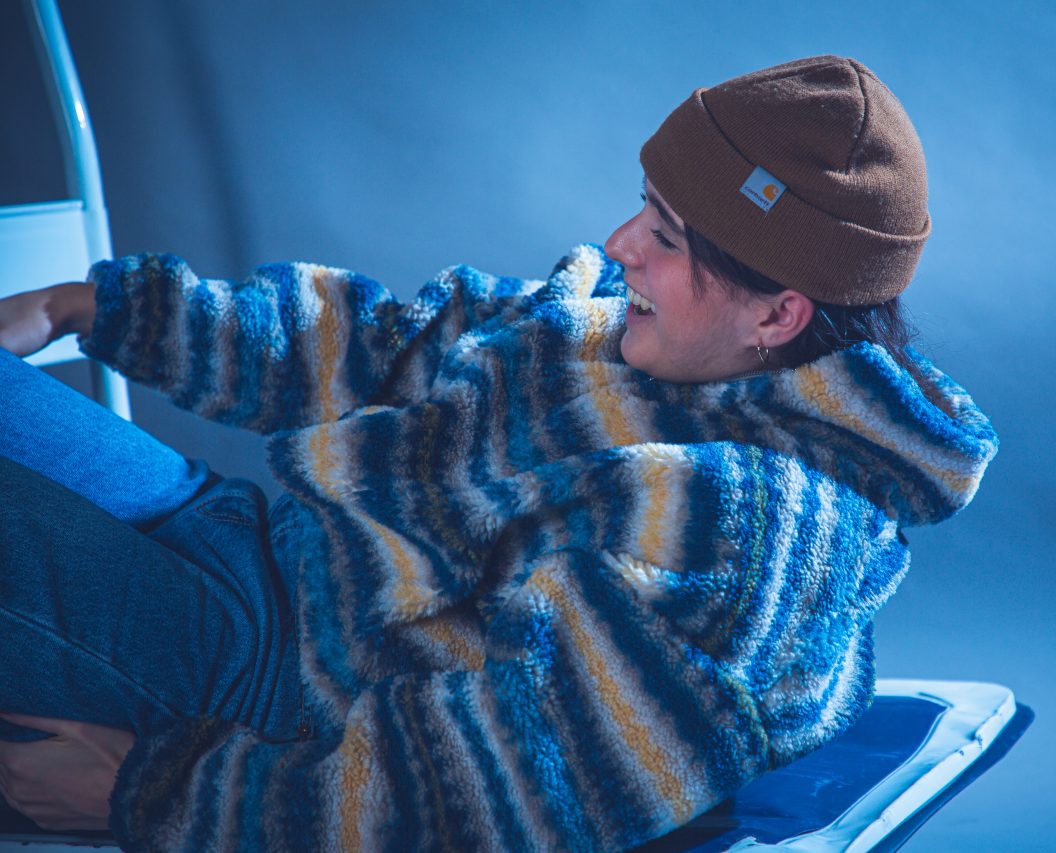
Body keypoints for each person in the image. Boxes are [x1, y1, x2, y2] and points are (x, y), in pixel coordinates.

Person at [0, 55, 997, 851]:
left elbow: (503, 789)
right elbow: (385, 345)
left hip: (261, 689)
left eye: (665, 237)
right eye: (643, 206)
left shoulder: (744, 542)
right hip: (251, 543)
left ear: (777, 315)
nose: (621, 242)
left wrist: (159, 794)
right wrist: (96, 307)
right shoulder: (631, 334)